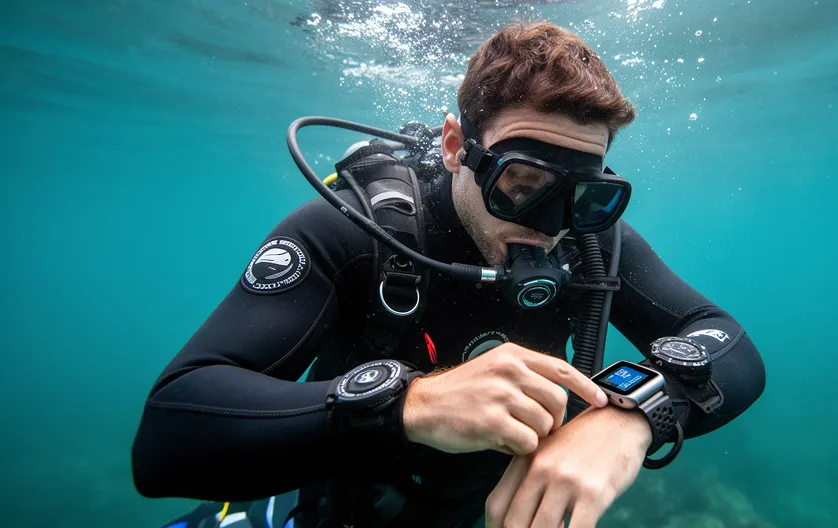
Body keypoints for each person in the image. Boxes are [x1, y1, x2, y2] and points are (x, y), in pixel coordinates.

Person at [132, 21, 766, 528]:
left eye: (580, 195)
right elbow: (168, 434)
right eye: (521, 184)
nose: (547, 227)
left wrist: (633, 416)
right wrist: (409, 403)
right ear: (457, 146)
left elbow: (727, 342)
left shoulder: (589, 241)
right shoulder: (355, 231)